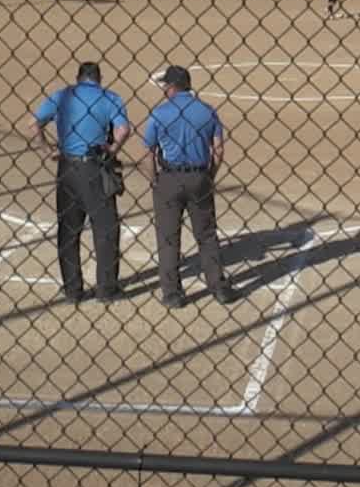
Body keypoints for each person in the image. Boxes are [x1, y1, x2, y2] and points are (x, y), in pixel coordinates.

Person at [32, 61, 131, 305]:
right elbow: (123, 130)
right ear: (99, 78)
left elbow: (33, 123)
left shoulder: (62, 96)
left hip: (66, 168)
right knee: (106, 226)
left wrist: (47, 150)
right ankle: (107, 289)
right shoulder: (110, 97)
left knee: (68, 229)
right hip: (94, 167)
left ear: (78, 78)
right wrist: (112, 148)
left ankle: (72, 291)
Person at [140, 65, 235, 307]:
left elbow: (148, 153)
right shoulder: (207, 111)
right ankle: (218, 287)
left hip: (169, 178)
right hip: (199, 176)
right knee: (206, 235)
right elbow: (219, 149)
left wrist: (155, 180)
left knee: (168, 238)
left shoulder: (159, 114)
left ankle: (173, 293)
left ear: (171, 87)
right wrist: (209, 176)